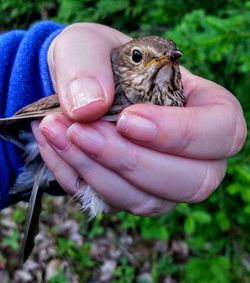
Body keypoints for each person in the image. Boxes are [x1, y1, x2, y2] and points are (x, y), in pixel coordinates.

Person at [0, 21, 247, 215]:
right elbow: (52, 106)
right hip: (35, 145)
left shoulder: (177, 102)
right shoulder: (118, 87)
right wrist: (45, 76)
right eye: (138, 57)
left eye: (169, 58)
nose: (162, 61)